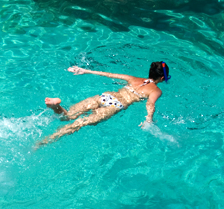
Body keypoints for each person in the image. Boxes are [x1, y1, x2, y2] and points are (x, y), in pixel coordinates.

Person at [35, 61, 170, 148]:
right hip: (116, 105)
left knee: (68, 116)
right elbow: (150, 104)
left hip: (106, 96)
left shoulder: (134, 78)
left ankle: (56, 105)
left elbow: (109, 74)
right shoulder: (156, 90)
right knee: (78, 124)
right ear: (162, 78)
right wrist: (148, 120)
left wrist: (86, 70)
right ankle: (43, 142)